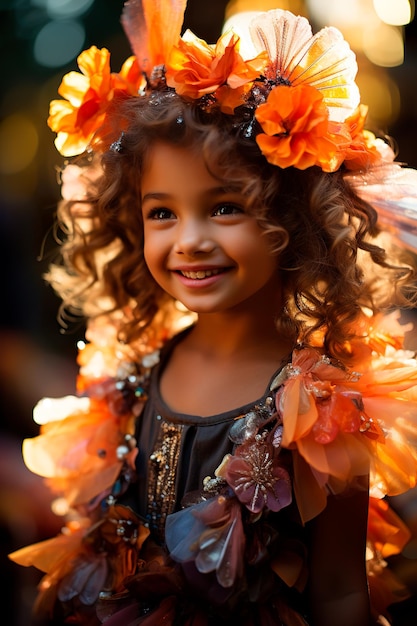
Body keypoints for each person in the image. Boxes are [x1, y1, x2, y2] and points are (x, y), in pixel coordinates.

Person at [9, 1, 417, 624]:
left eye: (224, 207)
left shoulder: (327, 408)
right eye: (162, 213)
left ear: (290, 219)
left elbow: (338, 592)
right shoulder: (130, 375)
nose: (190, 239)